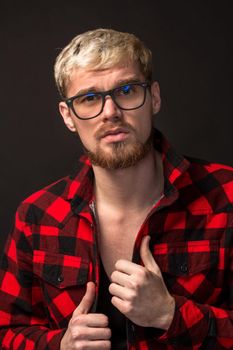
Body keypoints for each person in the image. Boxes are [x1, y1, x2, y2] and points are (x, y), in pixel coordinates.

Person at [0, 28, 233, 350]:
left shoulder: (227, 197)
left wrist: (170, 314)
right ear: (68, 116)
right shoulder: (38, 216)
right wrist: (60, 345)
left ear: (154, 97)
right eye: (89, 98)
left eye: (126, 91)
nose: (110, 112)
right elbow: (8, 332)